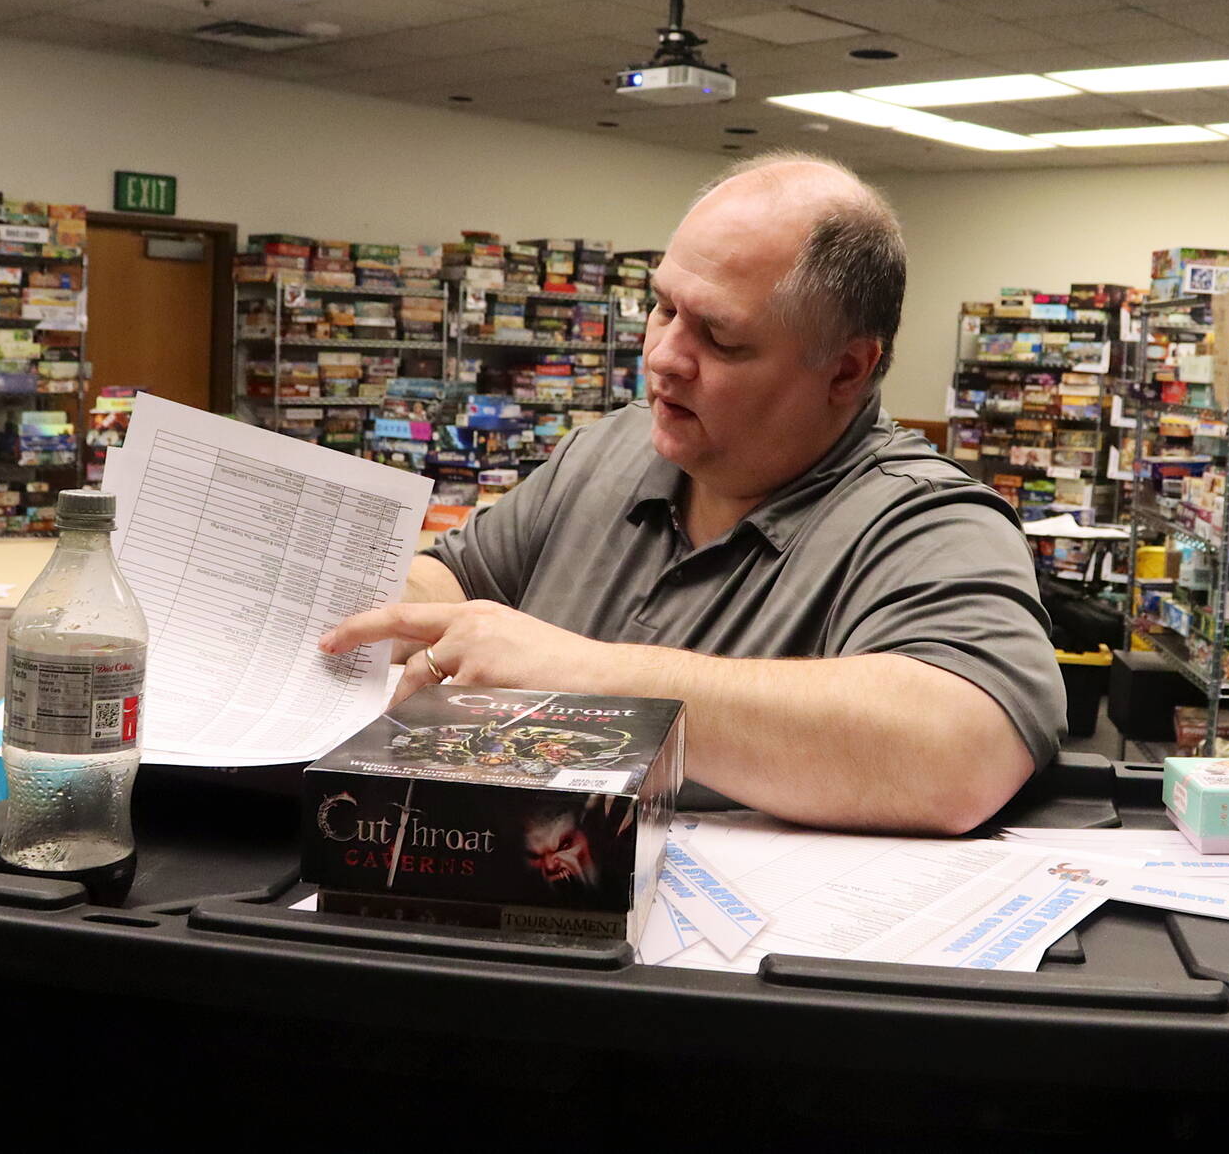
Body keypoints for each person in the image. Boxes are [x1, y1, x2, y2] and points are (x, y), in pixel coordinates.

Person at [321, 152, 1065, 835]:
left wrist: (588, 675)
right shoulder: (607, 449)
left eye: (721, 337)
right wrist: (346, 603)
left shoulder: (927, 520)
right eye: (664, 308)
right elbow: (450, 581)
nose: (664, 357)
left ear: (846, 371)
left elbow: (960, 753)